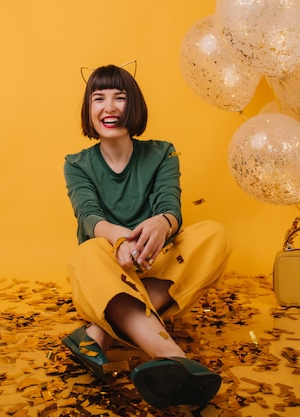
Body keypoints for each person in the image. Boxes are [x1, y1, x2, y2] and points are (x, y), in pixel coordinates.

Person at [62, 64, 232, 409]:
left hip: (157, 264)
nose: (109, 107)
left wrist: (161, 225)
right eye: (99, 98)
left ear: (134, 105)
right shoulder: (76, 163)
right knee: (87, 252)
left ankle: (98, 331)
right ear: (89, 109)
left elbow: (170, 206)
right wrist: (122, 241)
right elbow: (89, 215)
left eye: (119, 98)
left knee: (215, 234)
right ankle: (170, 354)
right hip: (105, 271)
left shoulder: (161, 152)